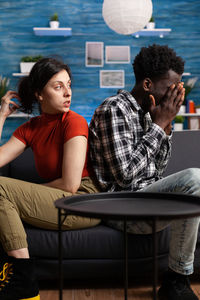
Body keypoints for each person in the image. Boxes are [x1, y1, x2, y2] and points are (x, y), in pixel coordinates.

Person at [89, 44, 200, 300]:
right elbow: (125, 176)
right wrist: (160, 126)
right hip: (121, 208)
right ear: (148, 84)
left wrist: (165, 126)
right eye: (170, 87)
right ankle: (177, 279)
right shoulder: (114, 109)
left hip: (147, 203)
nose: (175, 93)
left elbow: (157, 171)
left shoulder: (151, 113)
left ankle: (176, 282)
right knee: (195, 178)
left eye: (178, 87)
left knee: (194, 185)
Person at [0, 57, 100, 300]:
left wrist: (24, 193)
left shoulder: (74, 121)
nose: (67, 93)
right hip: (57, 199)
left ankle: (24, 280)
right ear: (39, 94)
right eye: (58, 87)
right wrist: (2, 115)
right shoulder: (30, 128)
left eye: (68, 85)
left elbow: (70, 185)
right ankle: (24, 282)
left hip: (82, 201)